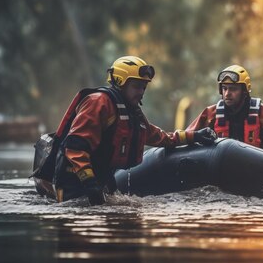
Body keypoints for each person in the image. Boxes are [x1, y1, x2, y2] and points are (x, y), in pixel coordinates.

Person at [52, 56, 217, 205]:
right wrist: (90, 183)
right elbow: (74, 147)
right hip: (74, 181)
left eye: (143, 87)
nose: (141, 92)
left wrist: (194, 136)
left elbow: (159, 137)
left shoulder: (131, 111)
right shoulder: (99, 103)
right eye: (136, 86)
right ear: (119, 81)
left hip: (101, 178)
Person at [186, 64, 263, 152]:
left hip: (258, 174)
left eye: (233, 89)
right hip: (221, 174)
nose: (227, 94)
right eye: (224, 88)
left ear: (244, 91)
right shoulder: (211, 114)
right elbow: (187, 136)